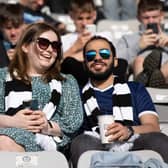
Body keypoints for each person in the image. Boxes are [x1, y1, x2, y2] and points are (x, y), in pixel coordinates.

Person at [70, 36, 168, 168]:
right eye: (91, 55)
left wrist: (128, 131)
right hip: (98, 145)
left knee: (159, 140)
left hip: (134, 142)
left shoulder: (135, 88)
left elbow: (152, 126)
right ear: (85, 64)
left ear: (115, 62)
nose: (97, 58)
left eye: (104, 54)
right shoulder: (78, 94)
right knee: (81, 143)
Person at [0, 22, 83, 153]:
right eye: (43, 43)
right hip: (5, 134)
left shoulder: (66, 81)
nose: (50, 49)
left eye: (55, 46)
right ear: (25, 46)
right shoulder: (2, 76)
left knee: (4, 142)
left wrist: (46, 126)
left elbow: (73, 123)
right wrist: (14, 121)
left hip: (48, 143)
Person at [61, 0, 119, 87]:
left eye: (88, 18)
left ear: (95, 15)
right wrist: (75, 47)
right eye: (80, 18)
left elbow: (113, 60)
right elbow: (58, 65)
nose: (84, 23)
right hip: (77, 81)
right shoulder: (64, 39)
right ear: (71, 16)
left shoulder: (106, 35)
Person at [116, 0, 168, 88]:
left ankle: (157, 79)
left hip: (165, 69)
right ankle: (142, 82)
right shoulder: (127, 38)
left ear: (161, 16)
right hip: (139, 68)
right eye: (146, 18)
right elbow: (117, 62)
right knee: (139, 60)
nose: (151, 21)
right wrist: (138, 46)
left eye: (154, 17)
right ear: (138, 18)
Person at [0, 3, 26, 67]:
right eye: (8, 28)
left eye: (17, 27)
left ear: (23, 25)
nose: (13, 33)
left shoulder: (31, 45)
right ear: (1, 27)